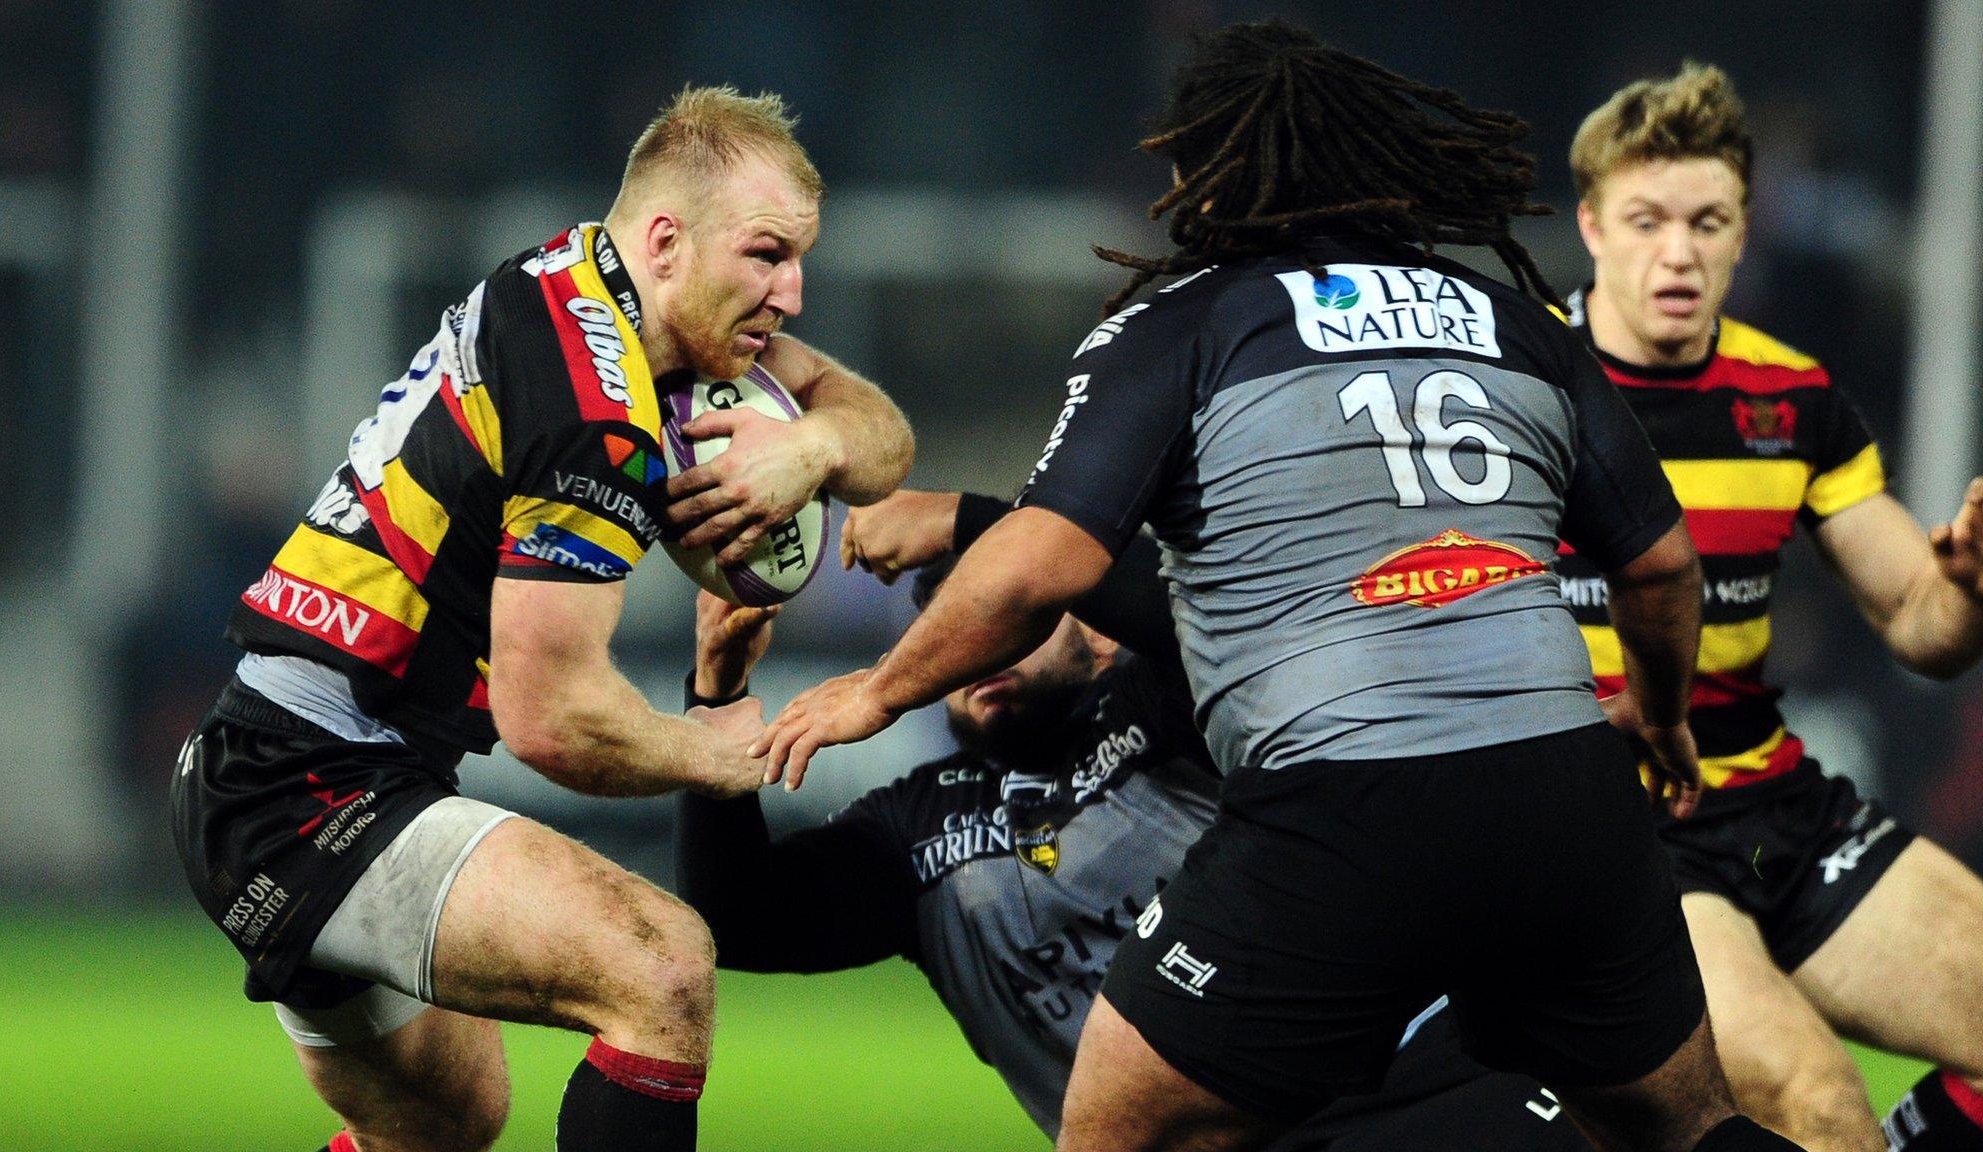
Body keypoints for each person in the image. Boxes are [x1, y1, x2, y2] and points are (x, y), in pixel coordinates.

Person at [758, 21, 1801, 1152]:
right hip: (1565, 793)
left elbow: (1037, 570)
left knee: (1112, 1128)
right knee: (1690, 1127)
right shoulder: (1515, 323)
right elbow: (1658, 566)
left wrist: (874, 694)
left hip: (1344, 806)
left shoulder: (1181, 322)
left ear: (1207, 175)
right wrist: (1653, 714)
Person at [168, 86, 913, 1152]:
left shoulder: (569, 280)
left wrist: (811, 449)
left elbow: (884, 440)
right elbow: (551, 717)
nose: (791, 292)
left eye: (798, 258)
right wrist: (725, 753)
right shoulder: (594, 411)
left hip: (285, 764)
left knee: (447, 1125)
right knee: (659, 966)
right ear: (666, 240)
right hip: (307, 784)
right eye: (764, 255)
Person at [680, 487, 1594, 1150]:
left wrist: (974, 520)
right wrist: (716, 699)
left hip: (1403, 1084)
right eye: (948, 629)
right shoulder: (915, 829)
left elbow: (1216, 628)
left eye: (1012, 615)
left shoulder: (1174, 703)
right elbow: (746, 920)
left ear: (1098, 629)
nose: (977, 645)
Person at [1562, 64, 1983, 1152]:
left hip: (1773, 814)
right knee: (1812, 1100)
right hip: (1615, 843)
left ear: (1742, 233)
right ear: (1590, 227)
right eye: (1646, 220)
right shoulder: (1518, 389)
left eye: (1706, 221)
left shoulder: (1787, 397)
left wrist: (1966, 587)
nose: (1678, 251)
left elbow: (1918, 625)